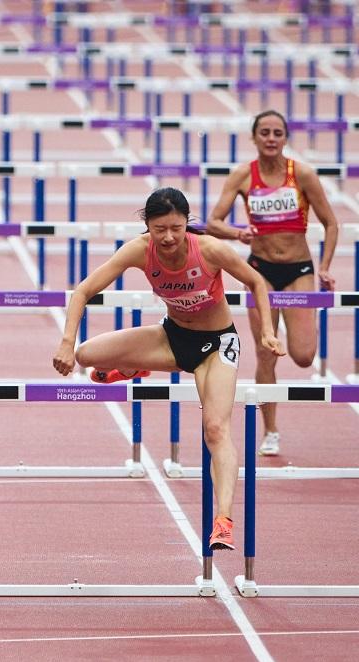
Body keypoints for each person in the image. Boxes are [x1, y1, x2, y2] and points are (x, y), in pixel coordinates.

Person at [52, 187, 285, 551]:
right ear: (147, 225)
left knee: (215, 429)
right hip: (172, 338)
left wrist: (268, 331)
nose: (169, 237)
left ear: (187, 223)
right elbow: (83, 291)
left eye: (176, 227)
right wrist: (67, 341)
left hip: (216, 345)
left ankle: (222, 520)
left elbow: (255, 280)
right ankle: (133, 368)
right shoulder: (138, 250)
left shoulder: (208, 249)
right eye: (160, 229)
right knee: (86, 355)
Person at [206, 109, 340, 456]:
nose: (270, 138)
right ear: (254, 138)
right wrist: (239, 232)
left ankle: (302, 329)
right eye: (264, 132)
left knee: (303, 355)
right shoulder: (243, 175)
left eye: (277, 132)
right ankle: (271, 430)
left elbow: (331, 223)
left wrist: (324, 267)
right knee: (266, 353)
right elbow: (213, 222)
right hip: (260, 271)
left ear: (285, 138)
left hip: (298, 271)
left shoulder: (303, 174)